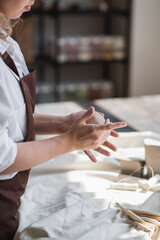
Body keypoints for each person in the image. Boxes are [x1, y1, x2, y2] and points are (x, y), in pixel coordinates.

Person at [0, 1, 127, 239]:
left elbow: (11, 121)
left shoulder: (5, 41)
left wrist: (65, 123)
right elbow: (3, 158)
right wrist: (69, 143)